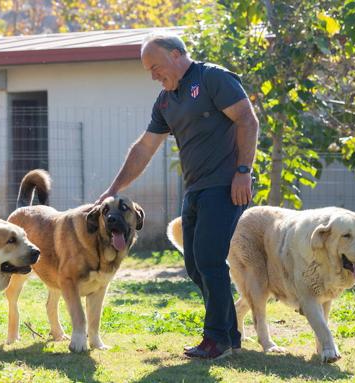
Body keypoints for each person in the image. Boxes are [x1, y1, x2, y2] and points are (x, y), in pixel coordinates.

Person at [96, 33, 259, 360]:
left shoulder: (212, 78)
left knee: (210, 259)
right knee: (195, 265)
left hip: (226, 185)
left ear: (175, 54)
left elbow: (247, 119)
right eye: (149, 71)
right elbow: (144, 148)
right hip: (195, 189)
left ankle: (216, 340)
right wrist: (115, 190)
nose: (154, 75)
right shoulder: (166, 101)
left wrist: (243, 170)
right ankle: (229, 332)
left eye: (155, 67)